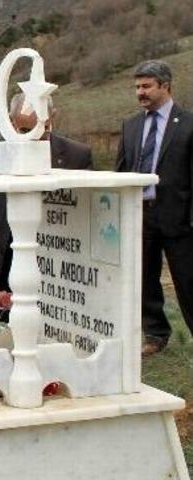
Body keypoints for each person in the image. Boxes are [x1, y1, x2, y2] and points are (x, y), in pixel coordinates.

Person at [0, 93, 92, 317]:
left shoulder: (77, 155)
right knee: (6, 326)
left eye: (40, 129)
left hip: (58, 262)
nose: (32, 139)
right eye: (24, 131)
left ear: (52, 117)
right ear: (11, 121)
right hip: (4, 260)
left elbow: (87, 213)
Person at [116, 60, 193, 356]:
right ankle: (155, 334)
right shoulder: (131, 126)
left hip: (179, 218)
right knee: (144, 279)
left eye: (146, 86)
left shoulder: (187, 124)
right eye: (137, 86)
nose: (140, 92)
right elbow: (122, 172)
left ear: (166, 86)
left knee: (187, 280)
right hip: (140, 215)